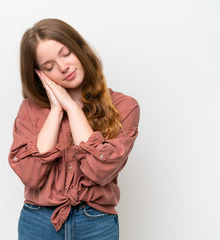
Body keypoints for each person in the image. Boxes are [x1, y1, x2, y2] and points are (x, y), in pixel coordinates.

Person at [8, 18, 140, 240]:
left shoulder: (124, 107)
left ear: (80, 49)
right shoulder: (30, 110)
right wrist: (56, 111)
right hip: (38, 222)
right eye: (49, 66)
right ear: (40, 75)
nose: (63, 67)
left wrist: (71, 106)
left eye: (66, 53)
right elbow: (30, 175)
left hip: (97, 224)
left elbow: (99, 170)